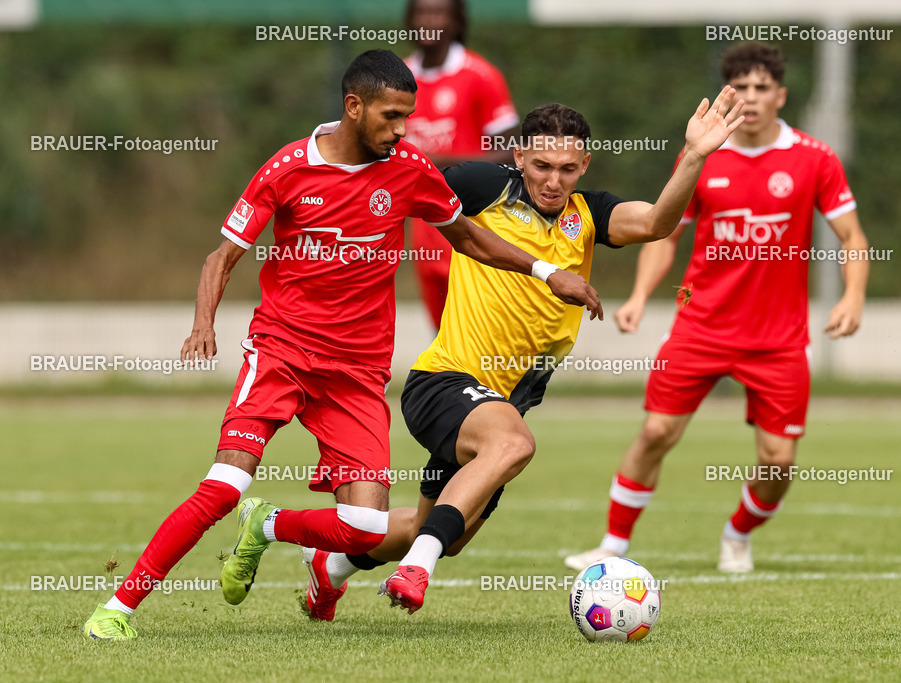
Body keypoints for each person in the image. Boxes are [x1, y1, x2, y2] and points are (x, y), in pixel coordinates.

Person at [81, 49, 600, 640]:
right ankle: (119, 608)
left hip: (356, 372)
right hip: (281, 352)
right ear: (354, 107)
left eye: (408, 116)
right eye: (391, 116)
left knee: (360, 528)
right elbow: (222, 256)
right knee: (224, 486)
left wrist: (544, 271)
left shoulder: (409, 168)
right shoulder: (287, 169)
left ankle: (268, 526)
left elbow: (469, 239)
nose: (403, 129)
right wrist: (204, 323)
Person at [295, 86, 745, 617]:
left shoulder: (590, 214)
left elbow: (655, 224)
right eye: (541, 165)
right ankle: (417, 569)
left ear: (584, 165)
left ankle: (332, 566)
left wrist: (694, 156)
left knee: (438, 527)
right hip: (444, 381)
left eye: (567, 168)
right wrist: (334, 149)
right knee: (514, 446)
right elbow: (402, 172)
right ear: (518, 156)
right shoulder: (483, 186)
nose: (553, 180)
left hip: (499, 403)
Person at [564, 42, 870, 574]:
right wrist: (639, 295)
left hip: (778, 337)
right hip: (700, 325)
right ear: (729, 94)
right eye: (741, 87)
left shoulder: (814, 159)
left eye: (761, 87)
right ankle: (612, 546)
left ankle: (738, 533)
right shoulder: (703, 157)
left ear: (780, 95)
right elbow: (664, 236)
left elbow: (852, 238)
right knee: (656, 433)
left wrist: (853, 294)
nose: (751, 97)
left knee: (779, 461)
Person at [403, 0, 520, 329]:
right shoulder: (397, 79)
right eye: (421, 12)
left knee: (479, 335)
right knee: (442, 337)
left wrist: (439, 165)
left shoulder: (480, 75)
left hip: (471, 227)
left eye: (438, 12)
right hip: (422, 234)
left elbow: (513, 154)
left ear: (456, 22)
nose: (429, 20)